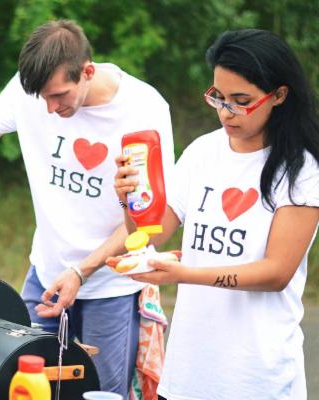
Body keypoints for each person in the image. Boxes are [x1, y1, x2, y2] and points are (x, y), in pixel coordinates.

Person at [0, 20, 174, 395]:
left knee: (99, 392)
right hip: (44, 278)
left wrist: (82, 271)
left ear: (87, 71)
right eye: (42, 97)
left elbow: (149, 221)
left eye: (59, 96)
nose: (50, 108)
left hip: (112, 286)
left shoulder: (144, 109)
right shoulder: (30, 91)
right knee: (22, 386)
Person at [114, 29, 319, 399]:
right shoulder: (203, 152)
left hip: (256, 379)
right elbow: (151, 235)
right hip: (187, 374)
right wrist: (128, 200)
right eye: (219, 97)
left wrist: (184, 274)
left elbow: (276, 273)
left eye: (241, 101)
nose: (226, 112)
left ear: (279, 96)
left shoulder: (301, 171)